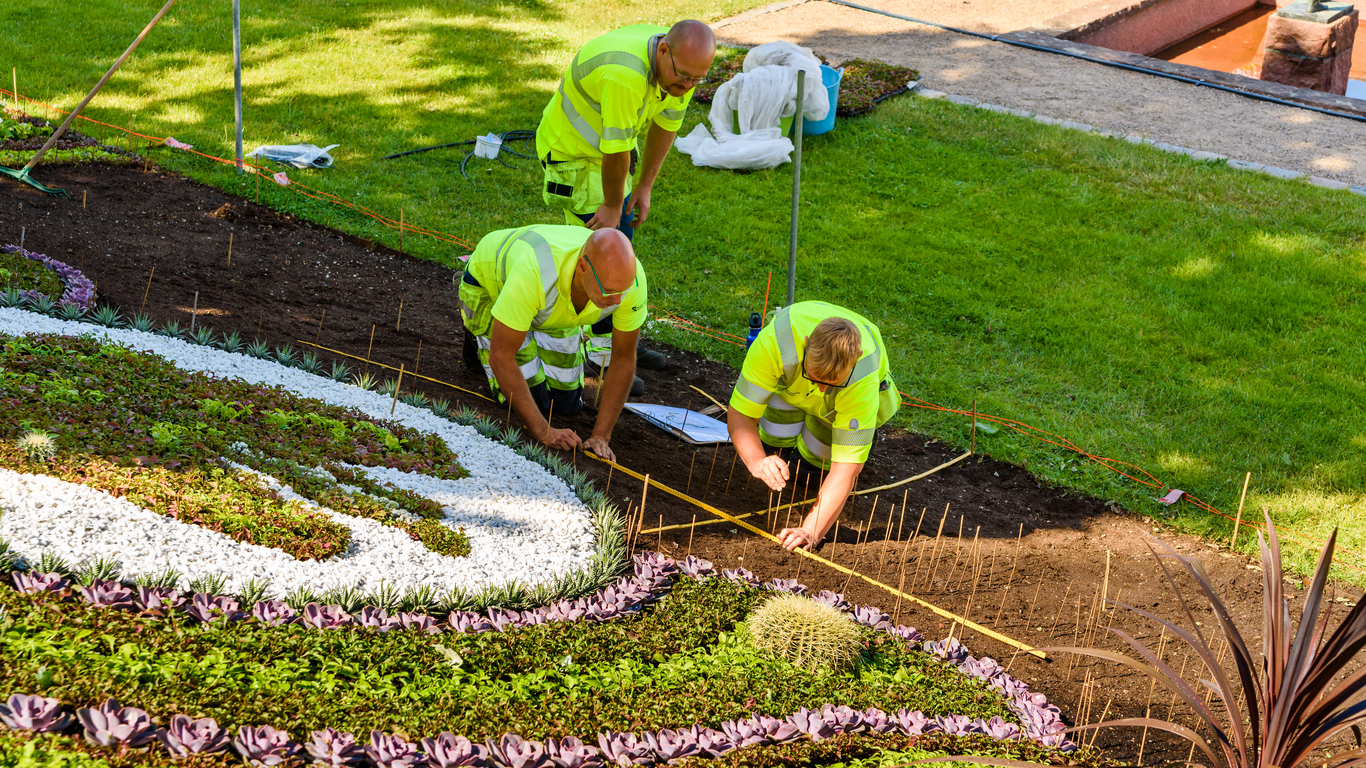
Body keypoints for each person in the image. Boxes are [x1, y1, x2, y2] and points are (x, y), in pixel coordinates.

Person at [536, 19, 716, 377]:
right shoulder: (625, 74)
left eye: (698, 80)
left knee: (621, 241)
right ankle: (603, 351)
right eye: (684, 77)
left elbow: (666, 126)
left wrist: (645, 187)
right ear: (663, 50)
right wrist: (612, 206)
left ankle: (620, 338)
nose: (688, 86)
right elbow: (615, 150)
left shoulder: (684, 66)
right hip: (571, 153)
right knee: (602, 248)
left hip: (606, 153)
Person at [458, 224, 646, 462]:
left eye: (624, 290)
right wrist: (543, 431)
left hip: (548, 306)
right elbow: (501, 356)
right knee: (534, 401)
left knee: (567, 404)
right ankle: (475, 340)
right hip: (490, 286)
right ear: (583, 267)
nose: (617, 301)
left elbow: (623, 358)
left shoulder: (629, 280)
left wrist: (601, 435)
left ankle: (530, 328)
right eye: (609, 291)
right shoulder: (535, 269)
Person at [727, 301, 900, 552]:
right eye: (815, 378)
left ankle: (807, 462)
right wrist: (756, 461)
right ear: (806, 343)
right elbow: (741, 414)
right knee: (772, 442)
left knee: (814, 466)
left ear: (856, 360)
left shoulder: (863, 376)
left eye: (831, 382)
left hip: (839, 405)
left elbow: (847, 469)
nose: (820, 389)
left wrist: (811, 530)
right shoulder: (776, 343)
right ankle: (781, 450)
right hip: (789, 389)